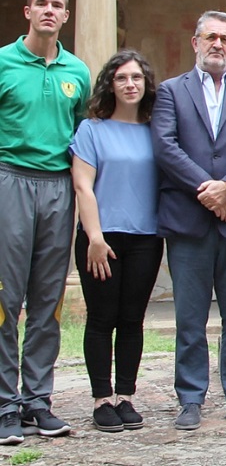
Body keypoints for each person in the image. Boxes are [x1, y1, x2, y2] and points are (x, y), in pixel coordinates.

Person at [150, 10, 226, 431]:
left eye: (225, 38)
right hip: (189, 220)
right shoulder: (170, 91)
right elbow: (165, 147)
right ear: (195, 42)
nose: (217, 44)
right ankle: (190, 398)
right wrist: (209, 189)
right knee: (190, 314)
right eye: (210, 37)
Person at [0, 0, 90, 445]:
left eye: (57, 4)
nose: (49, 11)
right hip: (9, 179)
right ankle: (4, 404)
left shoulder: (77, 71)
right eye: (41, 3)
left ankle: (38, 400)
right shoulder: (3, 63)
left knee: (47, 300)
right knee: (4, 298)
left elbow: (80, 140)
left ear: (66, 15)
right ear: (27, 12)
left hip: (57, 187)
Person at [70, 50, 164, 433]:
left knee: (131, 320)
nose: (130, 85)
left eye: (137, 78)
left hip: (145, 238)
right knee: (101, 318)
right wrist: (94, 236)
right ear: (110, 84)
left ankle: (125, 396)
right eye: (122, 78)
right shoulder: (92, 129)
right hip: (101, 239)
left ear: (146, 85)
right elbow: (83, 185)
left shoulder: (156, 131)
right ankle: (101, 399)